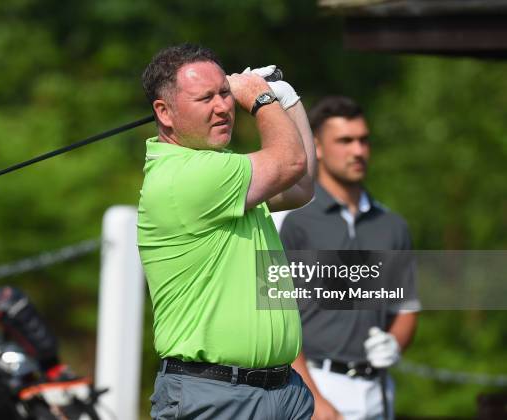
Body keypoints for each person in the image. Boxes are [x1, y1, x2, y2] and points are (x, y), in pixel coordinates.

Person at [137, 44, 316, 419]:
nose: (223, 107)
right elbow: (291, 162)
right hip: (215, 396)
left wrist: (289, 100)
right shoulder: (185, 177)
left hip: (282, 393)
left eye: (225, 93)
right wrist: (262, 98)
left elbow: (301, 186)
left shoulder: (221, 172)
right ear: (164, 113)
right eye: (206, 98)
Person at [279, 96, 420, 420]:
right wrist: (314, 398)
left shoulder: (392, 225)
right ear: (317, 146)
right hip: (315, 387)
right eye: (345, 141)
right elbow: (277, 319)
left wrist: (394, 344)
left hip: (379, 390)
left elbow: (407, 309)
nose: (358, 151)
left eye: (363, 140)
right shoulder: (294, 222)